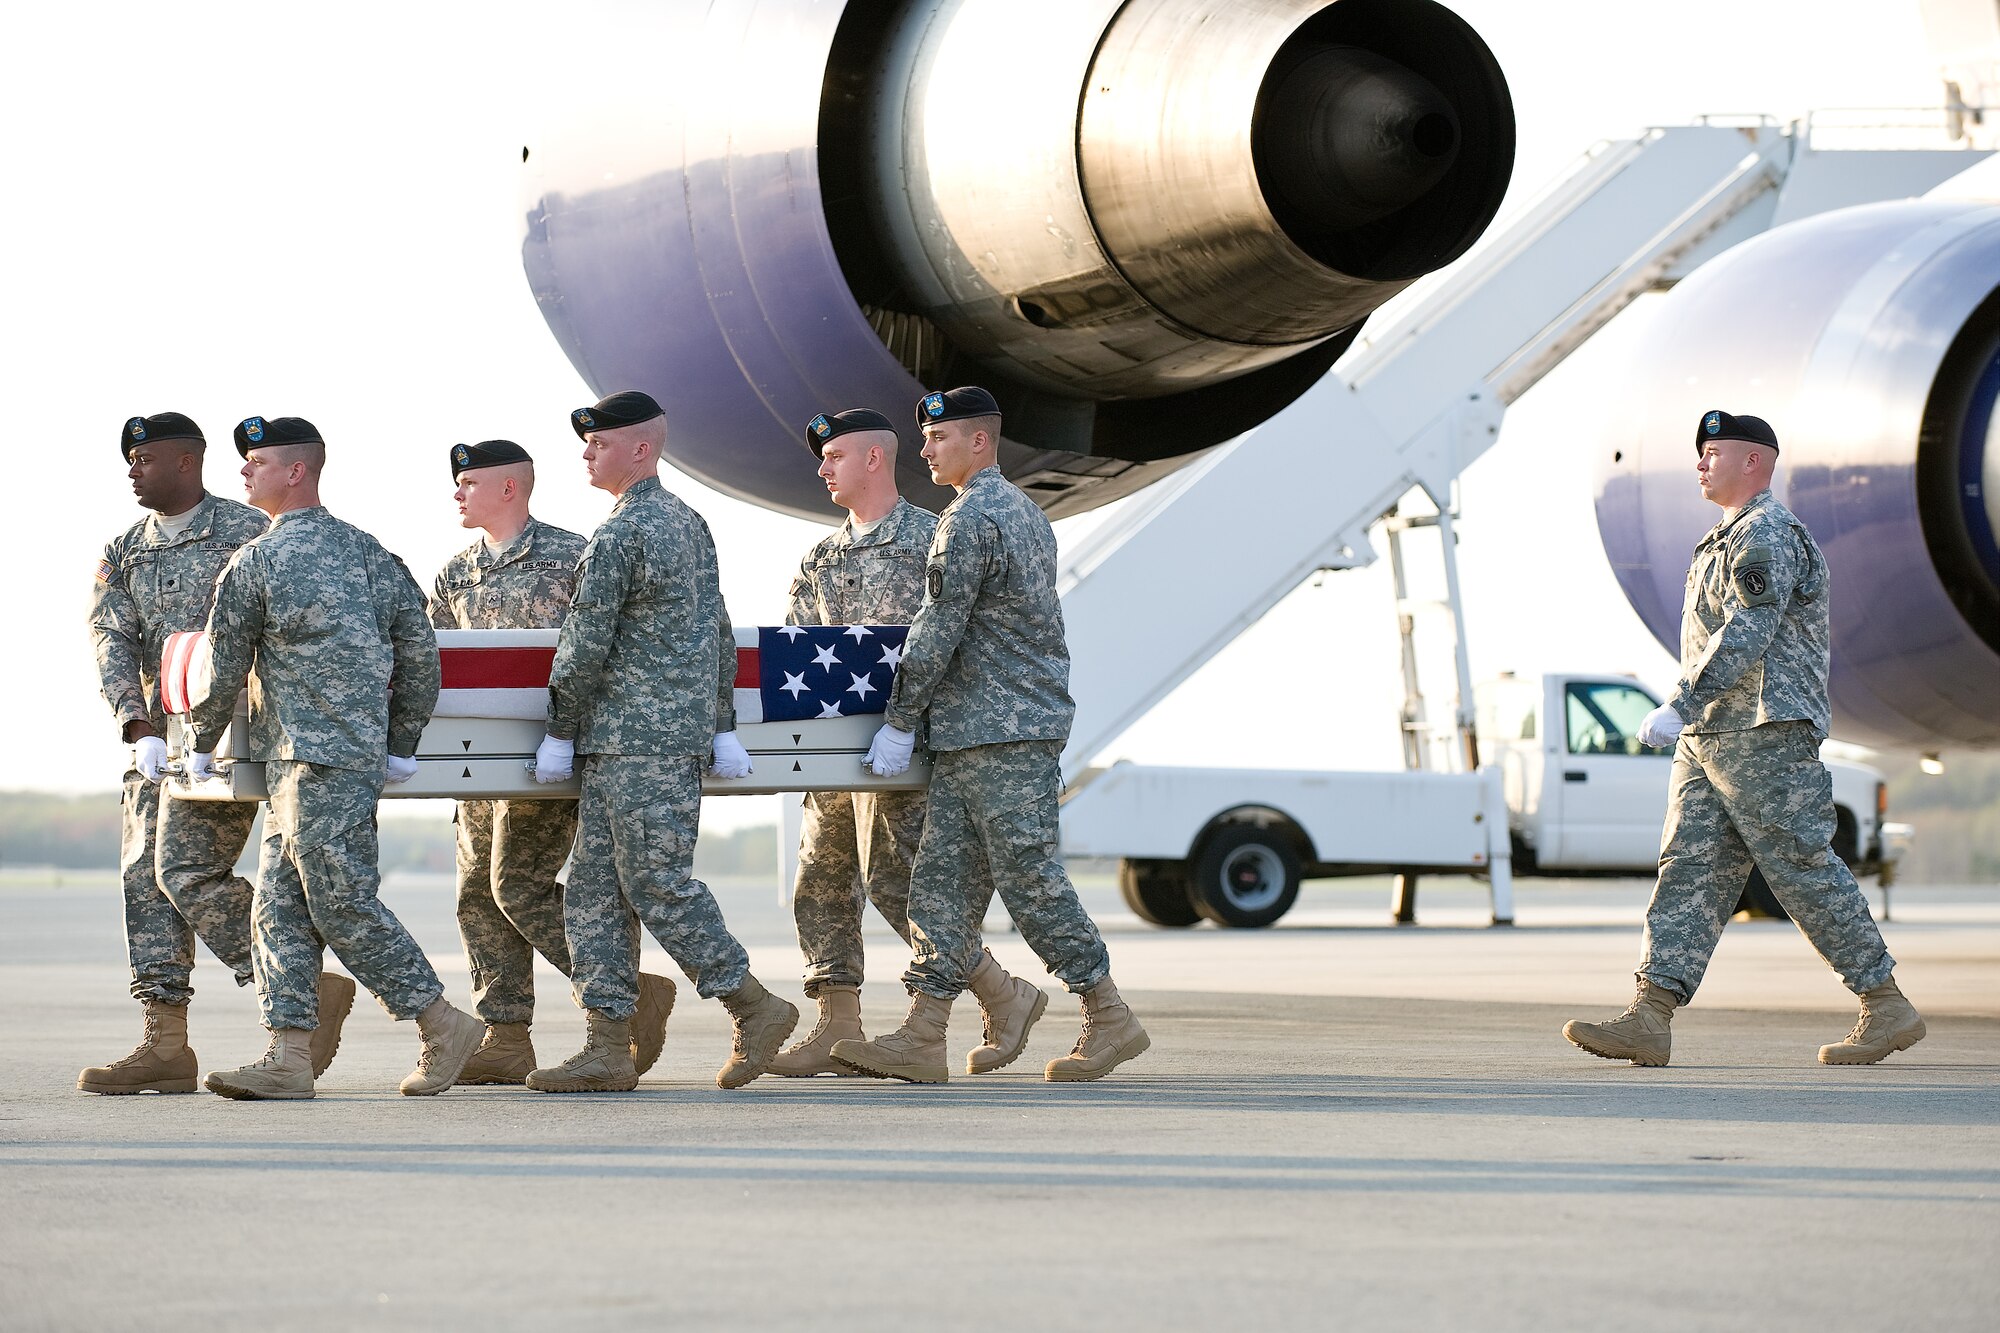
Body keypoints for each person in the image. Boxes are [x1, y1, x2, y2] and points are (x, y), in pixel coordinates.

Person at [1564, 409, 1924, 1067]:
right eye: (1700, 452)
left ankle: (1886, 1002)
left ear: (1753, 460)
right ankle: (1650, 1015)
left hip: (1765, 729)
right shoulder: (1719, 539)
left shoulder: (1768, 535)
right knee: (1687, 868)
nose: (1701, 462)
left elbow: (1748, 631)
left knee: (1799, 868)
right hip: (1710, 736)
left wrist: (1681, 701)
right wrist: (1693, 715)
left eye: (1713, 450)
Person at [831, 387, 1150, 1084]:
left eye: (938, 438)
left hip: (999, 733)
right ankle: (922, 1033)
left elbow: (938, 626)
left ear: (979, 441)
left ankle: (1108, 1013)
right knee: (939, 888)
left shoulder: (969, 517)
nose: (925, 449)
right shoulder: (1026, 512)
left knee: (1031, 881)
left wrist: (898, 719)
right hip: (986, 731)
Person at [187, 415, 485, 1099]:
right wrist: (399, 741)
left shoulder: (257, 561)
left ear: (296, 471)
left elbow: (224, 662)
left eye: (257, 461)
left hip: (310, 760)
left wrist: (201, 743)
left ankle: (442, 1022)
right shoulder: (371, 554)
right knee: (280, 911)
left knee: (341, 903)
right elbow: (421, 656)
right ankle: (289, 1055)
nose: (243, 472)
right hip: (323, 761)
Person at [526, 390, 796, 1092]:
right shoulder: (690, 524)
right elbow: (718, 630)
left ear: (641, 449)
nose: (588, 453)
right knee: (593, 893)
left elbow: (584, 643)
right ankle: (608, 1044)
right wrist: (721, 723)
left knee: (654, 884)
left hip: (633, 742)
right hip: (652, 741)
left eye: (600, 443)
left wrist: (559, 728)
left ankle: (753, 1003)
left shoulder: (622, 533)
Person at [83, 412, 355, 1094]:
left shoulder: (249, 533)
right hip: (156, 744)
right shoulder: (124, 549)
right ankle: (165, 1042)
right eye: (130, 459)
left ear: (186, 460)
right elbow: (108, 637)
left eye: (145, 457)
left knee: (189, 872)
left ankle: (292, 985)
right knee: (145, 879)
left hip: (231, 742)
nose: (132, 470)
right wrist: (134, 723)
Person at [767, 408, 1044, 1078]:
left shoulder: (932, 539)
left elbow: (965, 640)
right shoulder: (819, 557)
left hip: (908, 745)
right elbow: (797, 650)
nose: (823, 468)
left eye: (834, 455)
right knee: (820, 881)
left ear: (872, 459)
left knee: (899, 884)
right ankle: (836, 1023)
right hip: (835, 753)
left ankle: (1000, 993)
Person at [429, 439, 675, 1084]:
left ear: (510, 487)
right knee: (477, 895)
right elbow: (440, 667)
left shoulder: (574, 557)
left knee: (517, 885)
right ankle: (507, 1036)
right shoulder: (456, 574)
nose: (457, 493)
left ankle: (622, 989)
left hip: (548, 757)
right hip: (475, 766)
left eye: (470, 481)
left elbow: (605, 647)